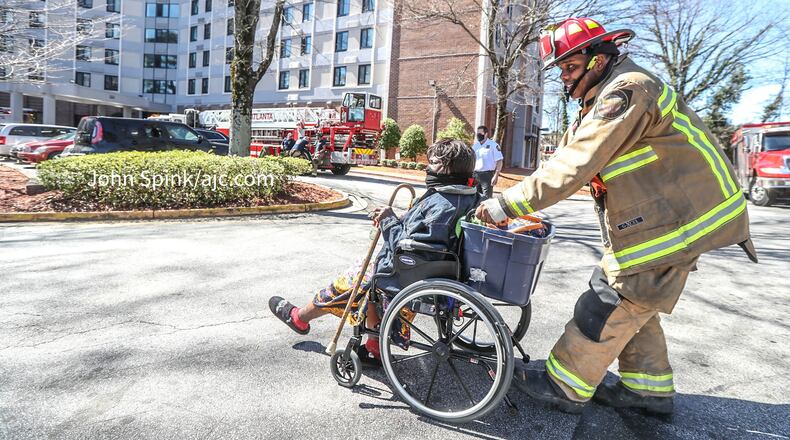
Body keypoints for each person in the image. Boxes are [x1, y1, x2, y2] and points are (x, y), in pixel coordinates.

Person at [476, 17, 757, 415]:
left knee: (609, 299)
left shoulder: (626, 91)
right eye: (561, 70)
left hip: (676, 224)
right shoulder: (609, 91)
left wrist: (505, 204)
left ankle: (563, 384)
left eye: (571, 68)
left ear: (598, 60)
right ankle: (647, 392)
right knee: (639, 302)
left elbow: (574, 165)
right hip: (663, 220)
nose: (565, 79)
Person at [269, 139, 479, 363]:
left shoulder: (440, 204)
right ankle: (374, 344)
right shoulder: (468, 196)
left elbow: (409, 247)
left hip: (408, 270)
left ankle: (300, 317)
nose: (428, 167)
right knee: (368, 282)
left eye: (434, 163)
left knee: (354, 279)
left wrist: (388, 220)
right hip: (439, 269)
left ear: (447, 168)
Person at [471, 125, 503, 200]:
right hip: (473, 175)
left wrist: (496, 175)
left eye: (480, 133)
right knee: (471, 195)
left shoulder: (493, 145)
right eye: (477, 133)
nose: (478, 135)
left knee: (486, 198)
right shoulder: (475, 146)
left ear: (486, 134)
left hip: (487, 175)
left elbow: (499, 161)